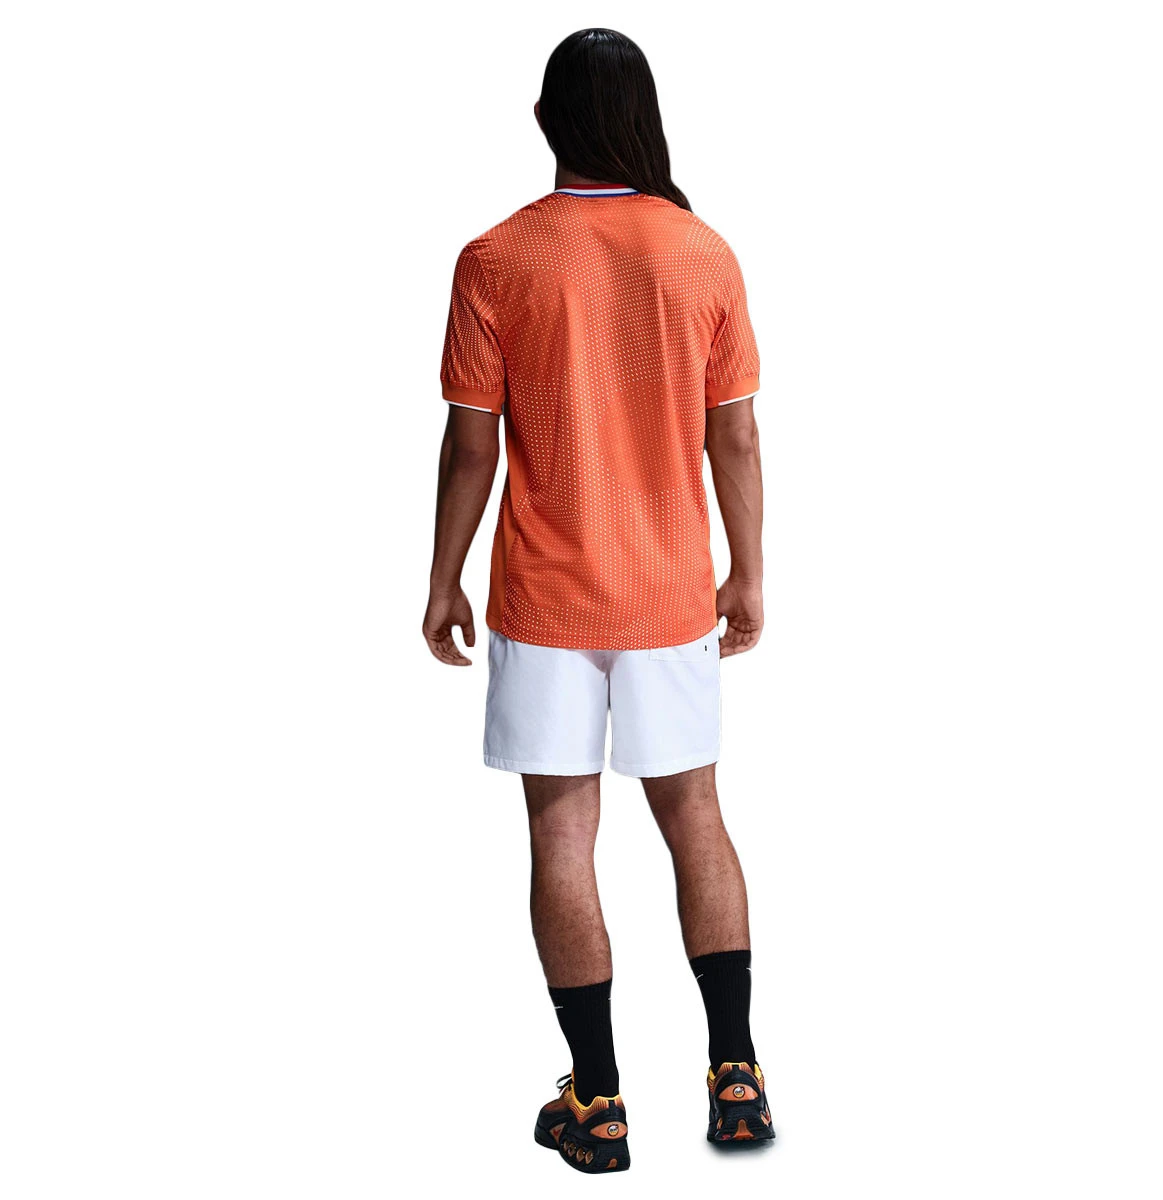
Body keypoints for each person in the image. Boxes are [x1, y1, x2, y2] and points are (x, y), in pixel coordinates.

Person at [424, 28, 772, 1173]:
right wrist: (747, 570)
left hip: (546, 598)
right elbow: (735, 435)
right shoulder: (703, 252)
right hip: (668, 593)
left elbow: (471, 446)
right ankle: (736, 1075)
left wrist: (442, 575)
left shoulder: (496, 258)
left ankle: (600, 1100)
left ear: (545, 119)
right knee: (696, 819)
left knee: (562, 834)